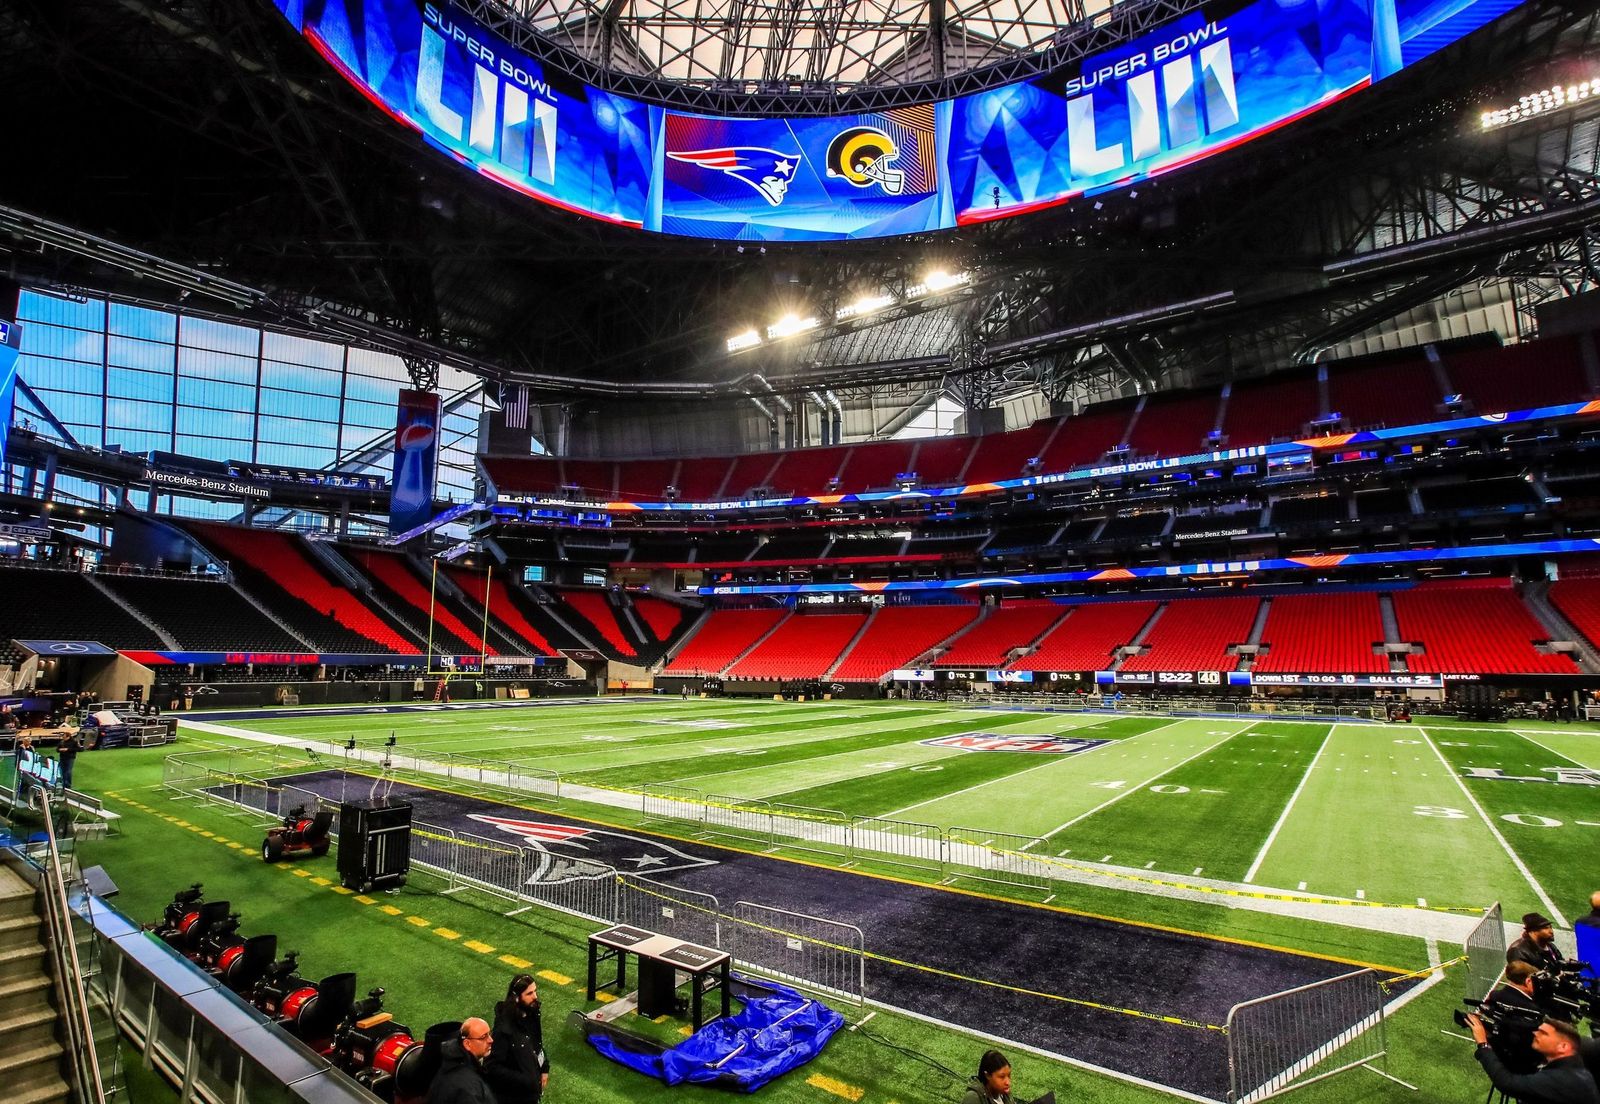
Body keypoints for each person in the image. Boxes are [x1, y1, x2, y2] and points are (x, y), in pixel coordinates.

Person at [1467, 1016, 1600, 1104]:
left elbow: (1506, 1083)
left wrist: (1483, 1044)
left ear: (1563, 1046)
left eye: (1544, 1033)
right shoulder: (1575, 1069)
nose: (1535, 1033)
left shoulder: (1561, 1079)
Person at [485, 974, 549, 1104]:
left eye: (535, 991)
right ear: (516, 998)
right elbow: (492, 1067)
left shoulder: (533, 1013)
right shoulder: (504, 1029)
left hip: (531, 1094)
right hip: (513, 1097)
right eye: (529, 993)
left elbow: (536, 1044)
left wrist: (544, 1068)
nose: (535, 996)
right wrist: (526, 1079)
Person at [1481, 961, 1547, 1073]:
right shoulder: (1534, 1009)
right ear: (1528, 981)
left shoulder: (1495, 996)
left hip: (1499, 1057)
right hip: (1527, 1064)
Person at [428, 1018, 496, 1104]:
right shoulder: (468, 1086)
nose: (491, 1040)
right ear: (467, 1044)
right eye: (483, 1037)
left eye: (489, 1034)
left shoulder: (453, 1062)